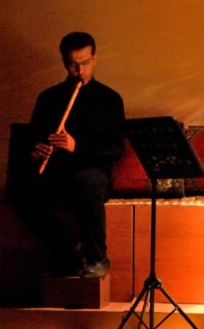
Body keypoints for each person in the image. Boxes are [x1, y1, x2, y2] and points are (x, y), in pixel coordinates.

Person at [14, 31, 125, 279]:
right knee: (22, 193)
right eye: (73, 65)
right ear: (65, 62)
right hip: (57, 171)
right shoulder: (49, 98)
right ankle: (66, 258)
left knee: (84, 182)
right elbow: (33, 137)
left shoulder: (109, 99)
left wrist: (77, 147)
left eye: (85, 63)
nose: (80, 71)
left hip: (94, 173)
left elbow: (115, 149)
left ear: (94, 59)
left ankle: (97, 258)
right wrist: (36, 150)